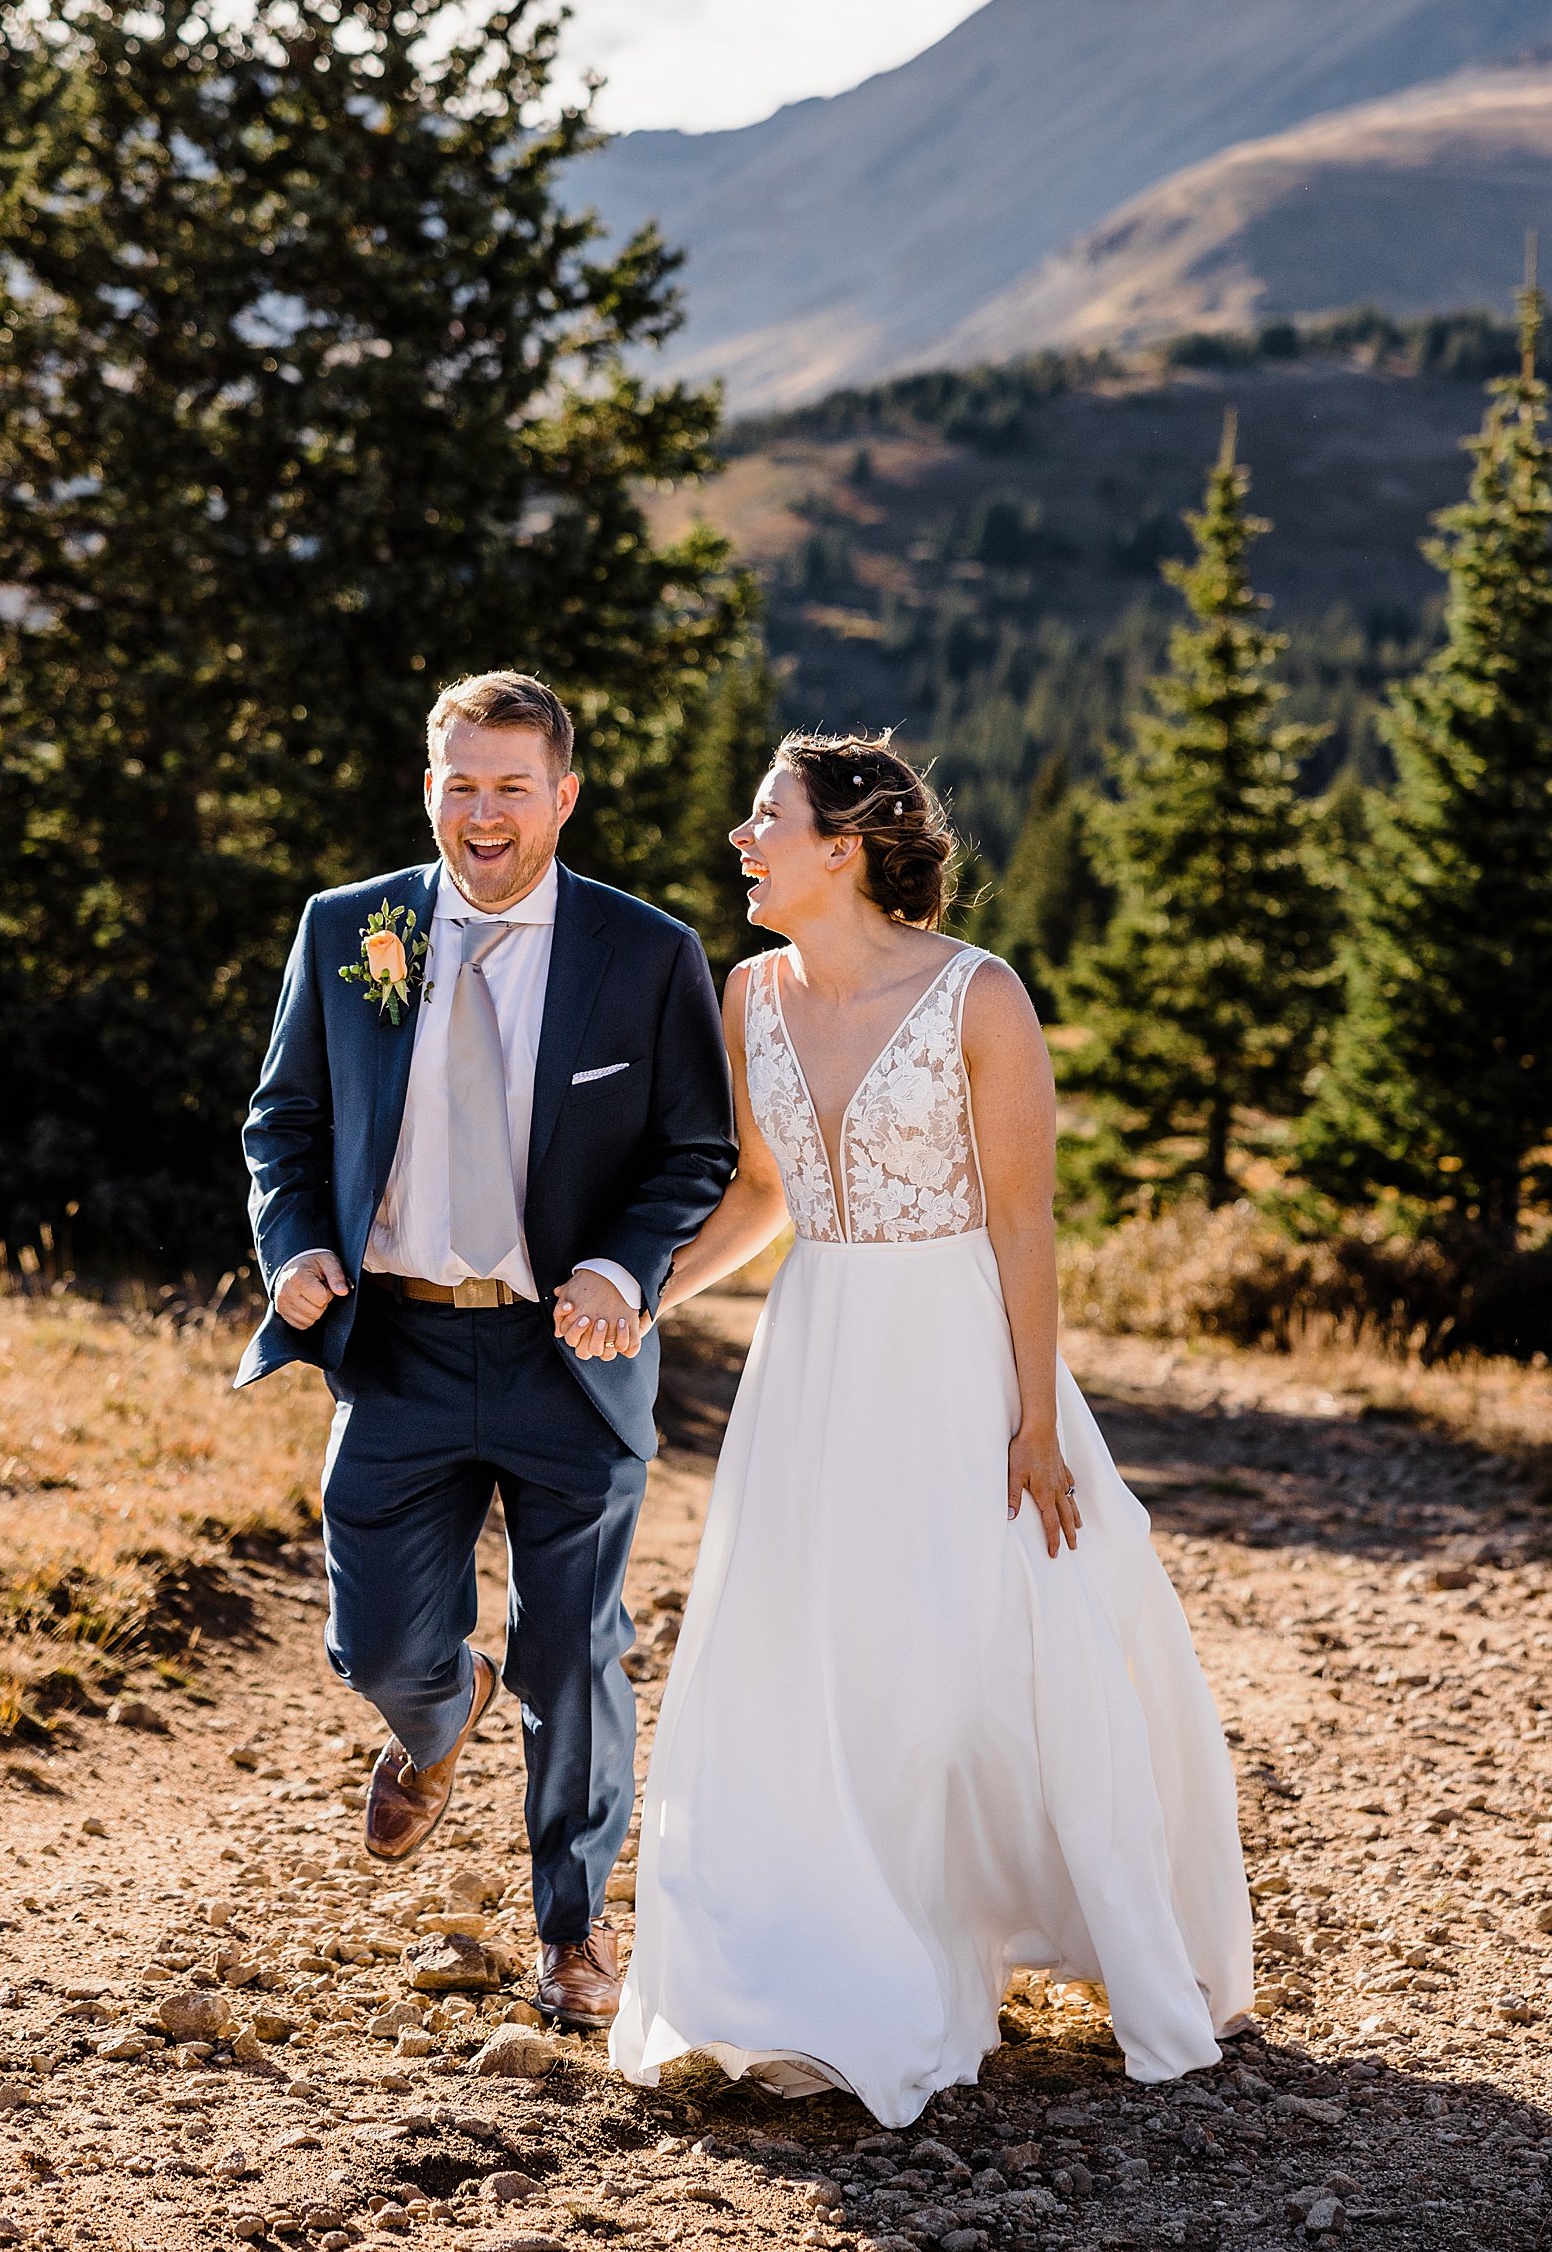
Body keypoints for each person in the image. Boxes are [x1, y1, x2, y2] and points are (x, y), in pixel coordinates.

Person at [611, 731, 1253, 2127]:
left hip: (958, 1355)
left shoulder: (980, 994)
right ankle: (838, 1960)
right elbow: (764, 1195)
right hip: (817, 1358)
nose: (740, 835)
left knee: (971, 1665)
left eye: (764, 816)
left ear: (839, 848)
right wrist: (642, 1291)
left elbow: (1025, 1219)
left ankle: (1019, 1921)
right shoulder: (749, 995)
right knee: (814, 1657)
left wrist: (1037, 1420)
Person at [239, 670, 734, 2029]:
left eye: (514, 785)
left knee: (570, 1652)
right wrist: (294, 1249)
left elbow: (697, 1149)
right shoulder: (352, 929)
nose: (484, 812)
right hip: (393, 1349)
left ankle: (572, 1938)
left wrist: (621, 1267)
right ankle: (437, 1706)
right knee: (379, 1645)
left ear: (564, 796)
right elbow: (281, 1124)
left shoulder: (644, 954)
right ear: (428, 790)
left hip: (567, 1357)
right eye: (460, 782)